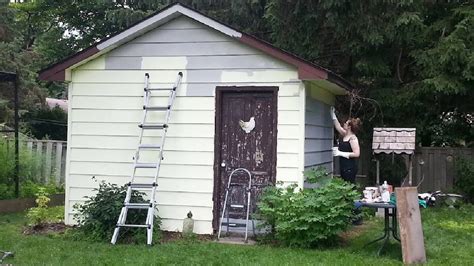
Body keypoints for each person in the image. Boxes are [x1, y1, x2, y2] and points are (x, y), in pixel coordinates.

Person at [331, 107, 361, 184]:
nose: (344, 124)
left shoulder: (353, 138)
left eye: (346, 123)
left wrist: (340, 153)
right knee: (344, 186)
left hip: (350, 167)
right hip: (343, 166)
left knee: (349, 187)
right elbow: (338, 126)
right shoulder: (345, 134)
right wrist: (333, 114)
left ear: (349, 127)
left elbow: (357, 154)